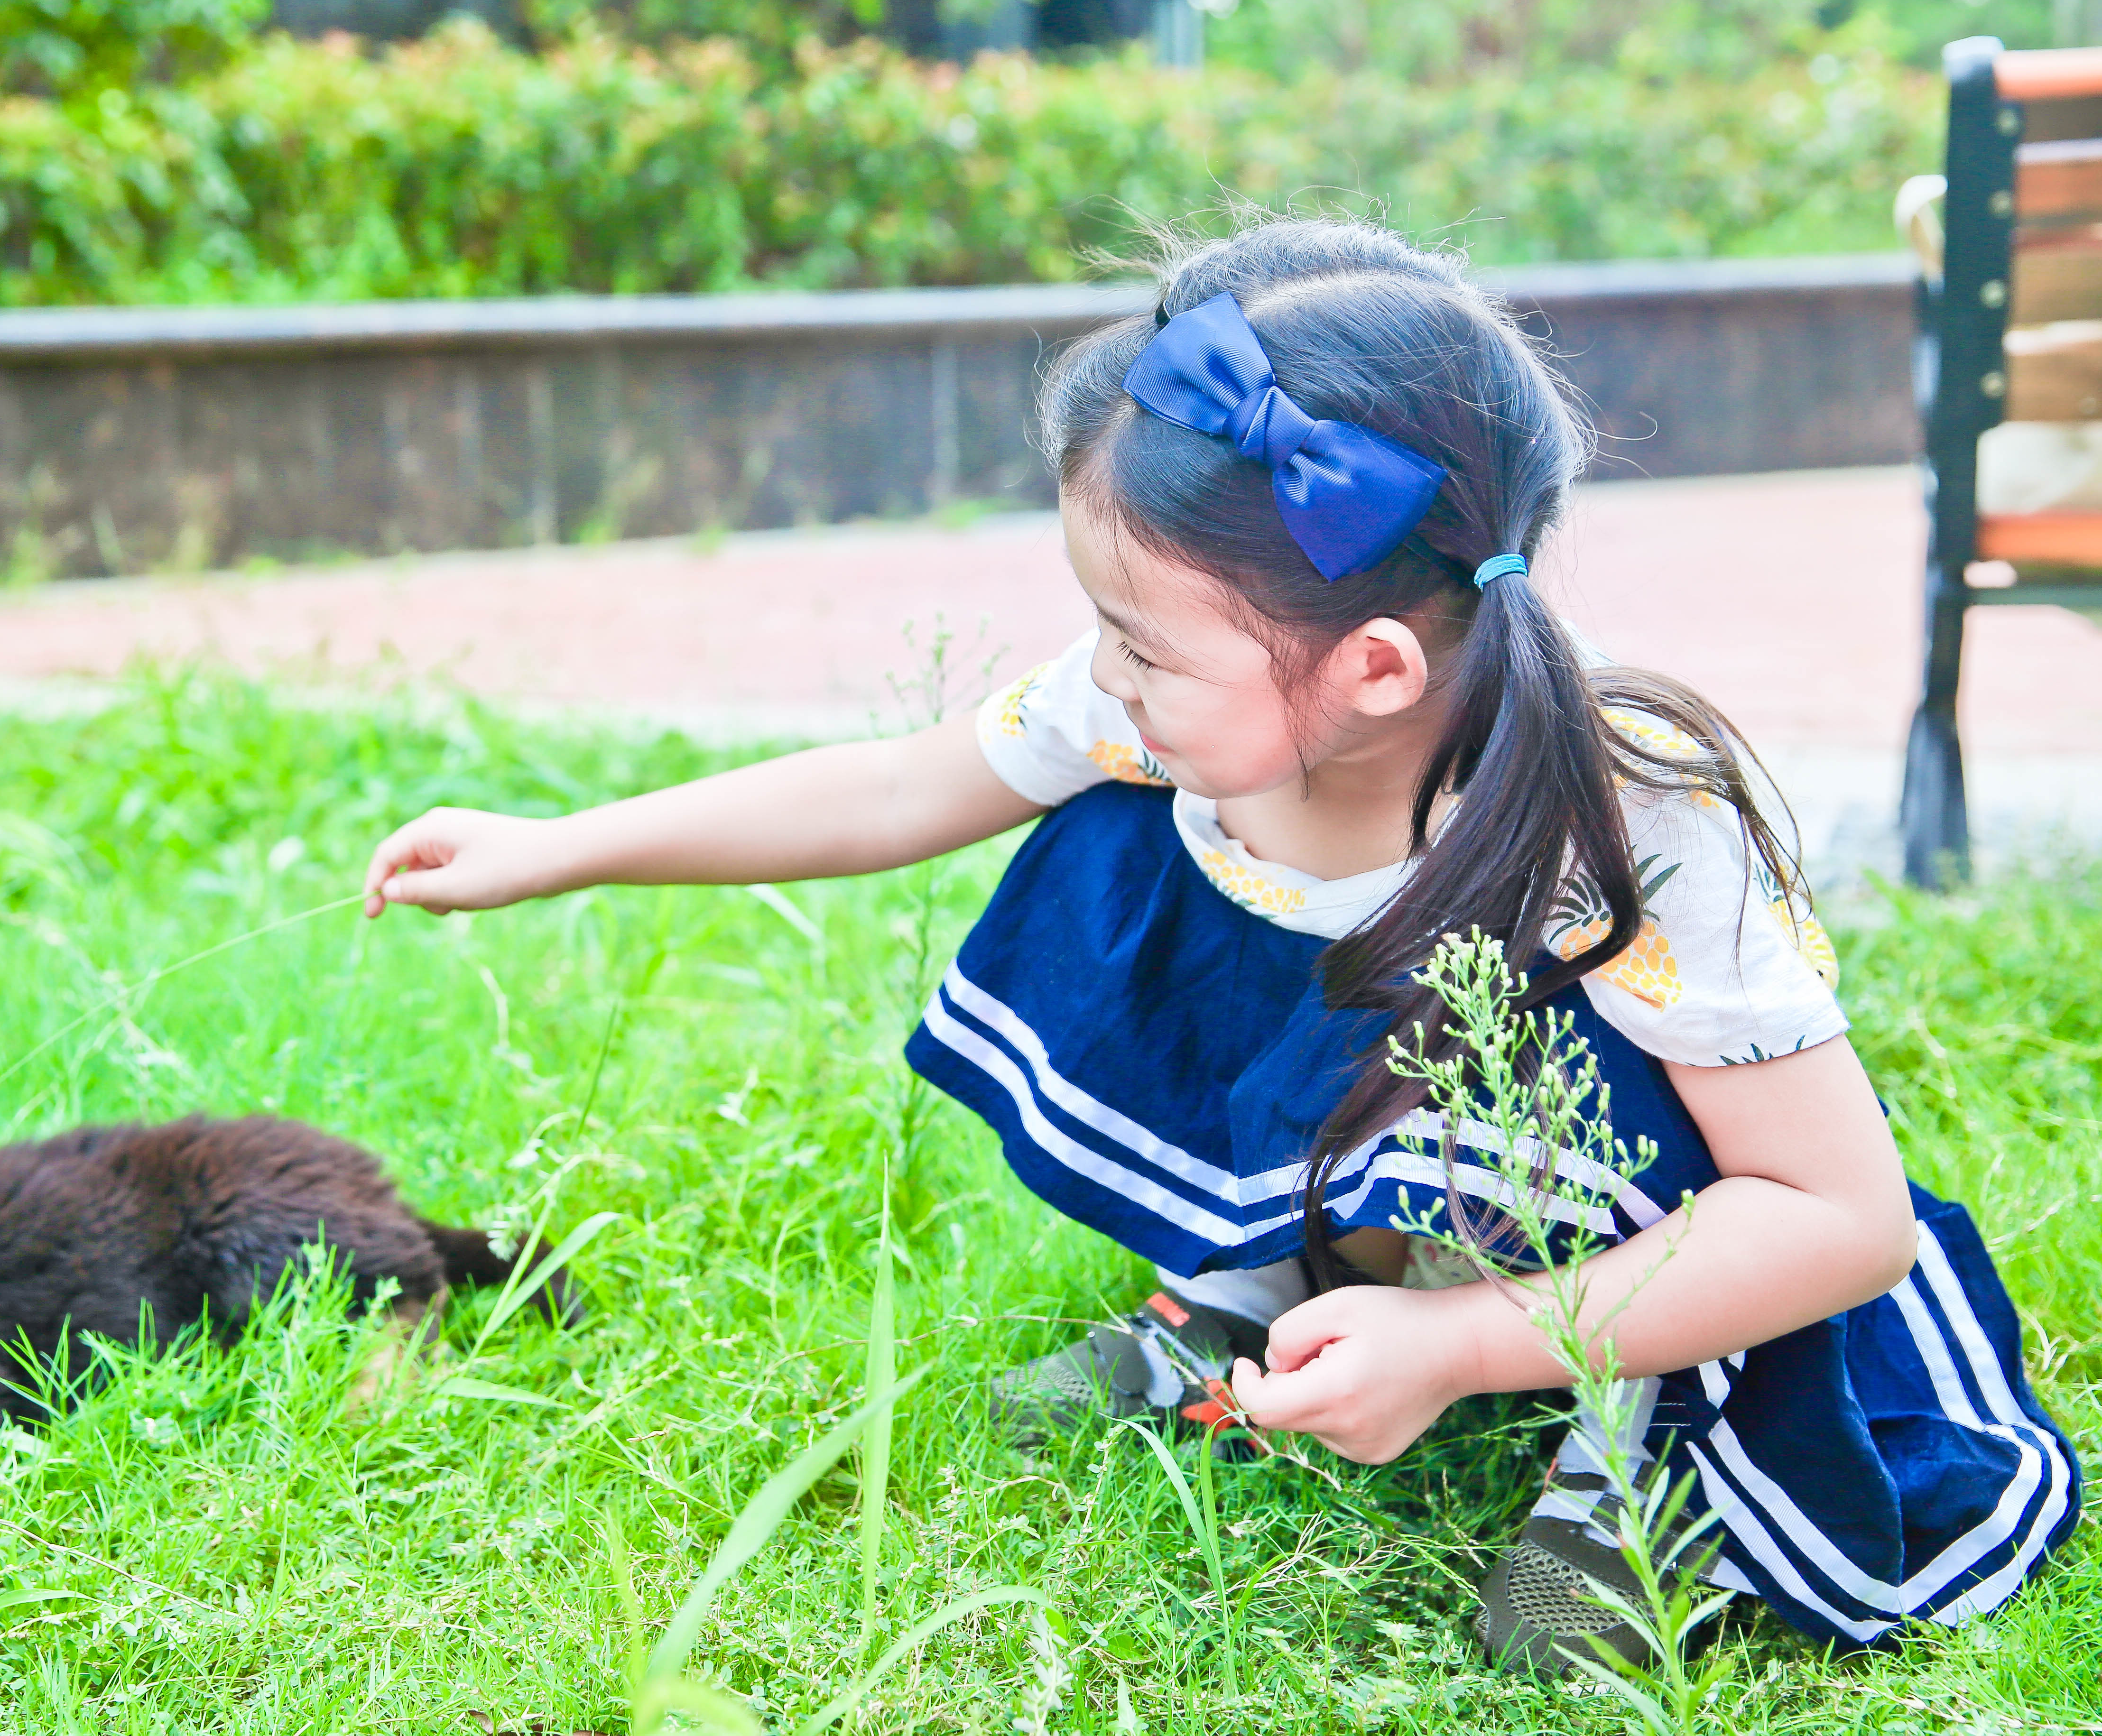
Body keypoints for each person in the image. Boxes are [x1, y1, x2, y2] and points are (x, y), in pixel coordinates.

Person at [361, 218, 2079, 1671]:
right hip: (1372, 1111)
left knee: (1579, 1127)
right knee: (1117, 826)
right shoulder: (1164, 713)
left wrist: (1472, 1348)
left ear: (1376, 674)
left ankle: (1627, 1457)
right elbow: (904, 783)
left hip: (1659, 1234)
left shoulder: (1631, 835)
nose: (1103, 679)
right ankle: (1256, 1285)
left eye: (1145, 644)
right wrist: (561, 852)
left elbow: (1833, 1219)